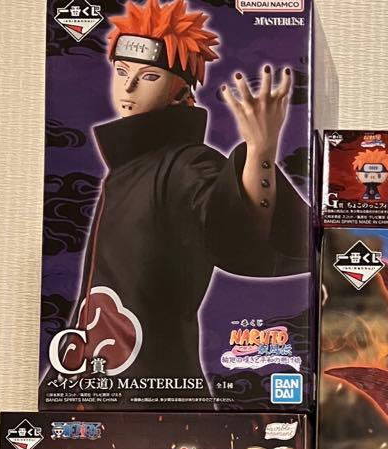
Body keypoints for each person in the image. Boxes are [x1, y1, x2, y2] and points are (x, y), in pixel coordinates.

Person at [46, 0, 308, 387]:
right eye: (122, 71)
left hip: (156, 389)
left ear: (178, 89)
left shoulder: (187, 163)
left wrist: (260, 154)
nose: (128, 87)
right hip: (91, 381)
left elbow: (234, 229)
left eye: (149, 76)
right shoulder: (127, 167)